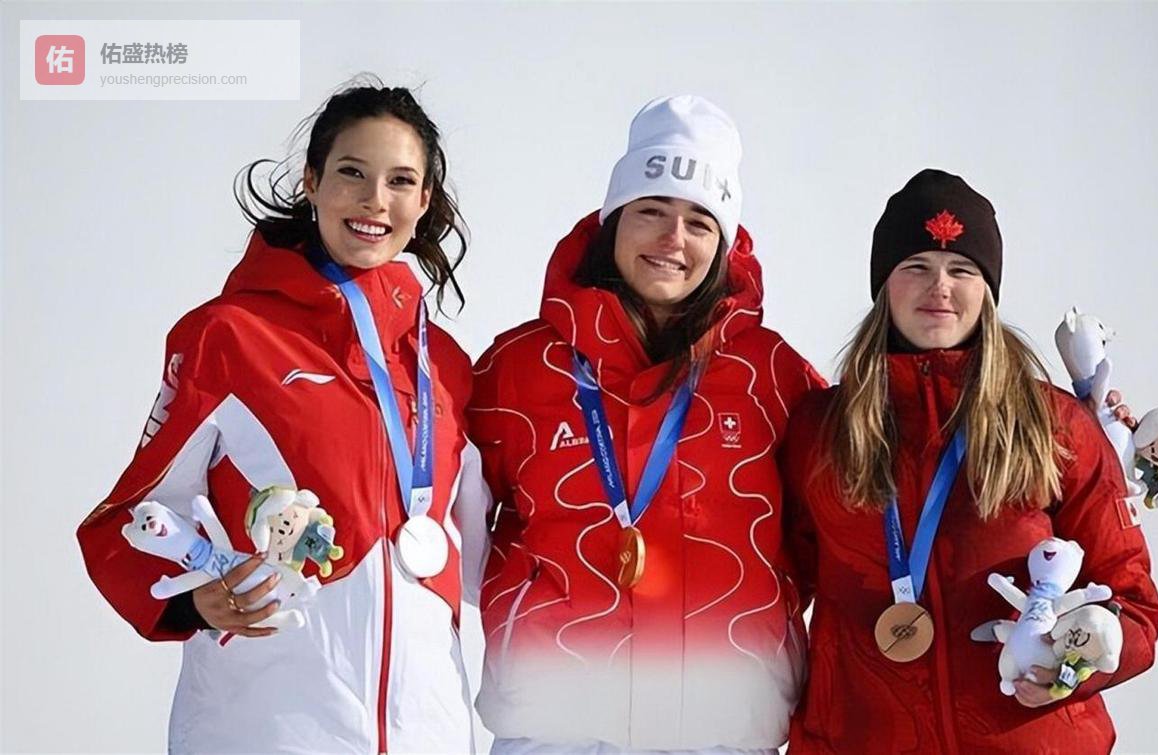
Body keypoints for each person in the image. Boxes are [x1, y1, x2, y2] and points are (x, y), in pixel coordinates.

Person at [76, 83, 490, 754]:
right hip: (266, 726)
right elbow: (130, 515)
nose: (374, 200)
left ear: (424, 202)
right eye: (351, 172)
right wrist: (192, 601)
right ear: (311, 181)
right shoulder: (229, 337)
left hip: (429, 729)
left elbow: (494, 544)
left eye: (399, 181)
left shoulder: (443, 363)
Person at [467, 95, 823, 755]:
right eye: (651, 210)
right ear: (613, 222)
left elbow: (835, 530)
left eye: (699, 222)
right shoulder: (519, 367)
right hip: (557, 727)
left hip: (721, 729)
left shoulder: (773, 376)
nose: (672, 239)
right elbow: (442, 517)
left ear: (723, 245)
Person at [780, 169, 1158, 753]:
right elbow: (775, 589)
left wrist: (1074, 665)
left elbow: (1133, 603)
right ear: (884, 286)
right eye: (916, 267)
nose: (940, 287)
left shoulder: (1053, 424)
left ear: (987, 291)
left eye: (962, 270)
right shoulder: (820, 428)